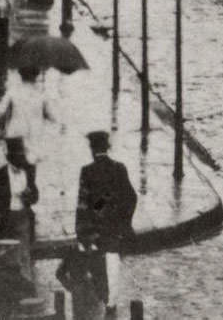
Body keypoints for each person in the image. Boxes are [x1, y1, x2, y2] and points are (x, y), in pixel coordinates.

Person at [75, 130, 138, 318]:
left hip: (96, 230)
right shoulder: (120, 168)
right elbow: (131, 197)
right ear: (107, 148)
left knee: (98, 268)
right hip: (115, 230)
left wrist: (82, 231)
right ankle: (111, 305)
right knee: (113, 267)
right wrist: (124, 221)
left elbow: (83, 204)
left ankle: (104, 301)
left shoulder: (87, 171)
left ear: (92, 149)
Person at [0, 137, 39, 286]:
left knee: (24, 256)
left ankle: (26, 289)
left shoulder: (29, 171)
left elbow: (35, 196)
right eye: (18, 156)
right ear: (9, 157)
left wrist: (29, 196)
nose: (22, 159)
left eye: (23, 155)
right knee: (4, 257)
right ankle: (4, 290)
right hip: (5, 220)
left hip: (23, 219)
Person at [0, 67, 57, 166]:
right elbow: (53, 117)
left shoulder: (12, 92)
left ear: (20, 74)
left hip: (15, 136)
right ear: (37, 75)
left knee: (16, 169)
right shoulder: (41, 95)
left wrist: (4, 127)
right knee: (32, 169)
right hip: (34, 138)